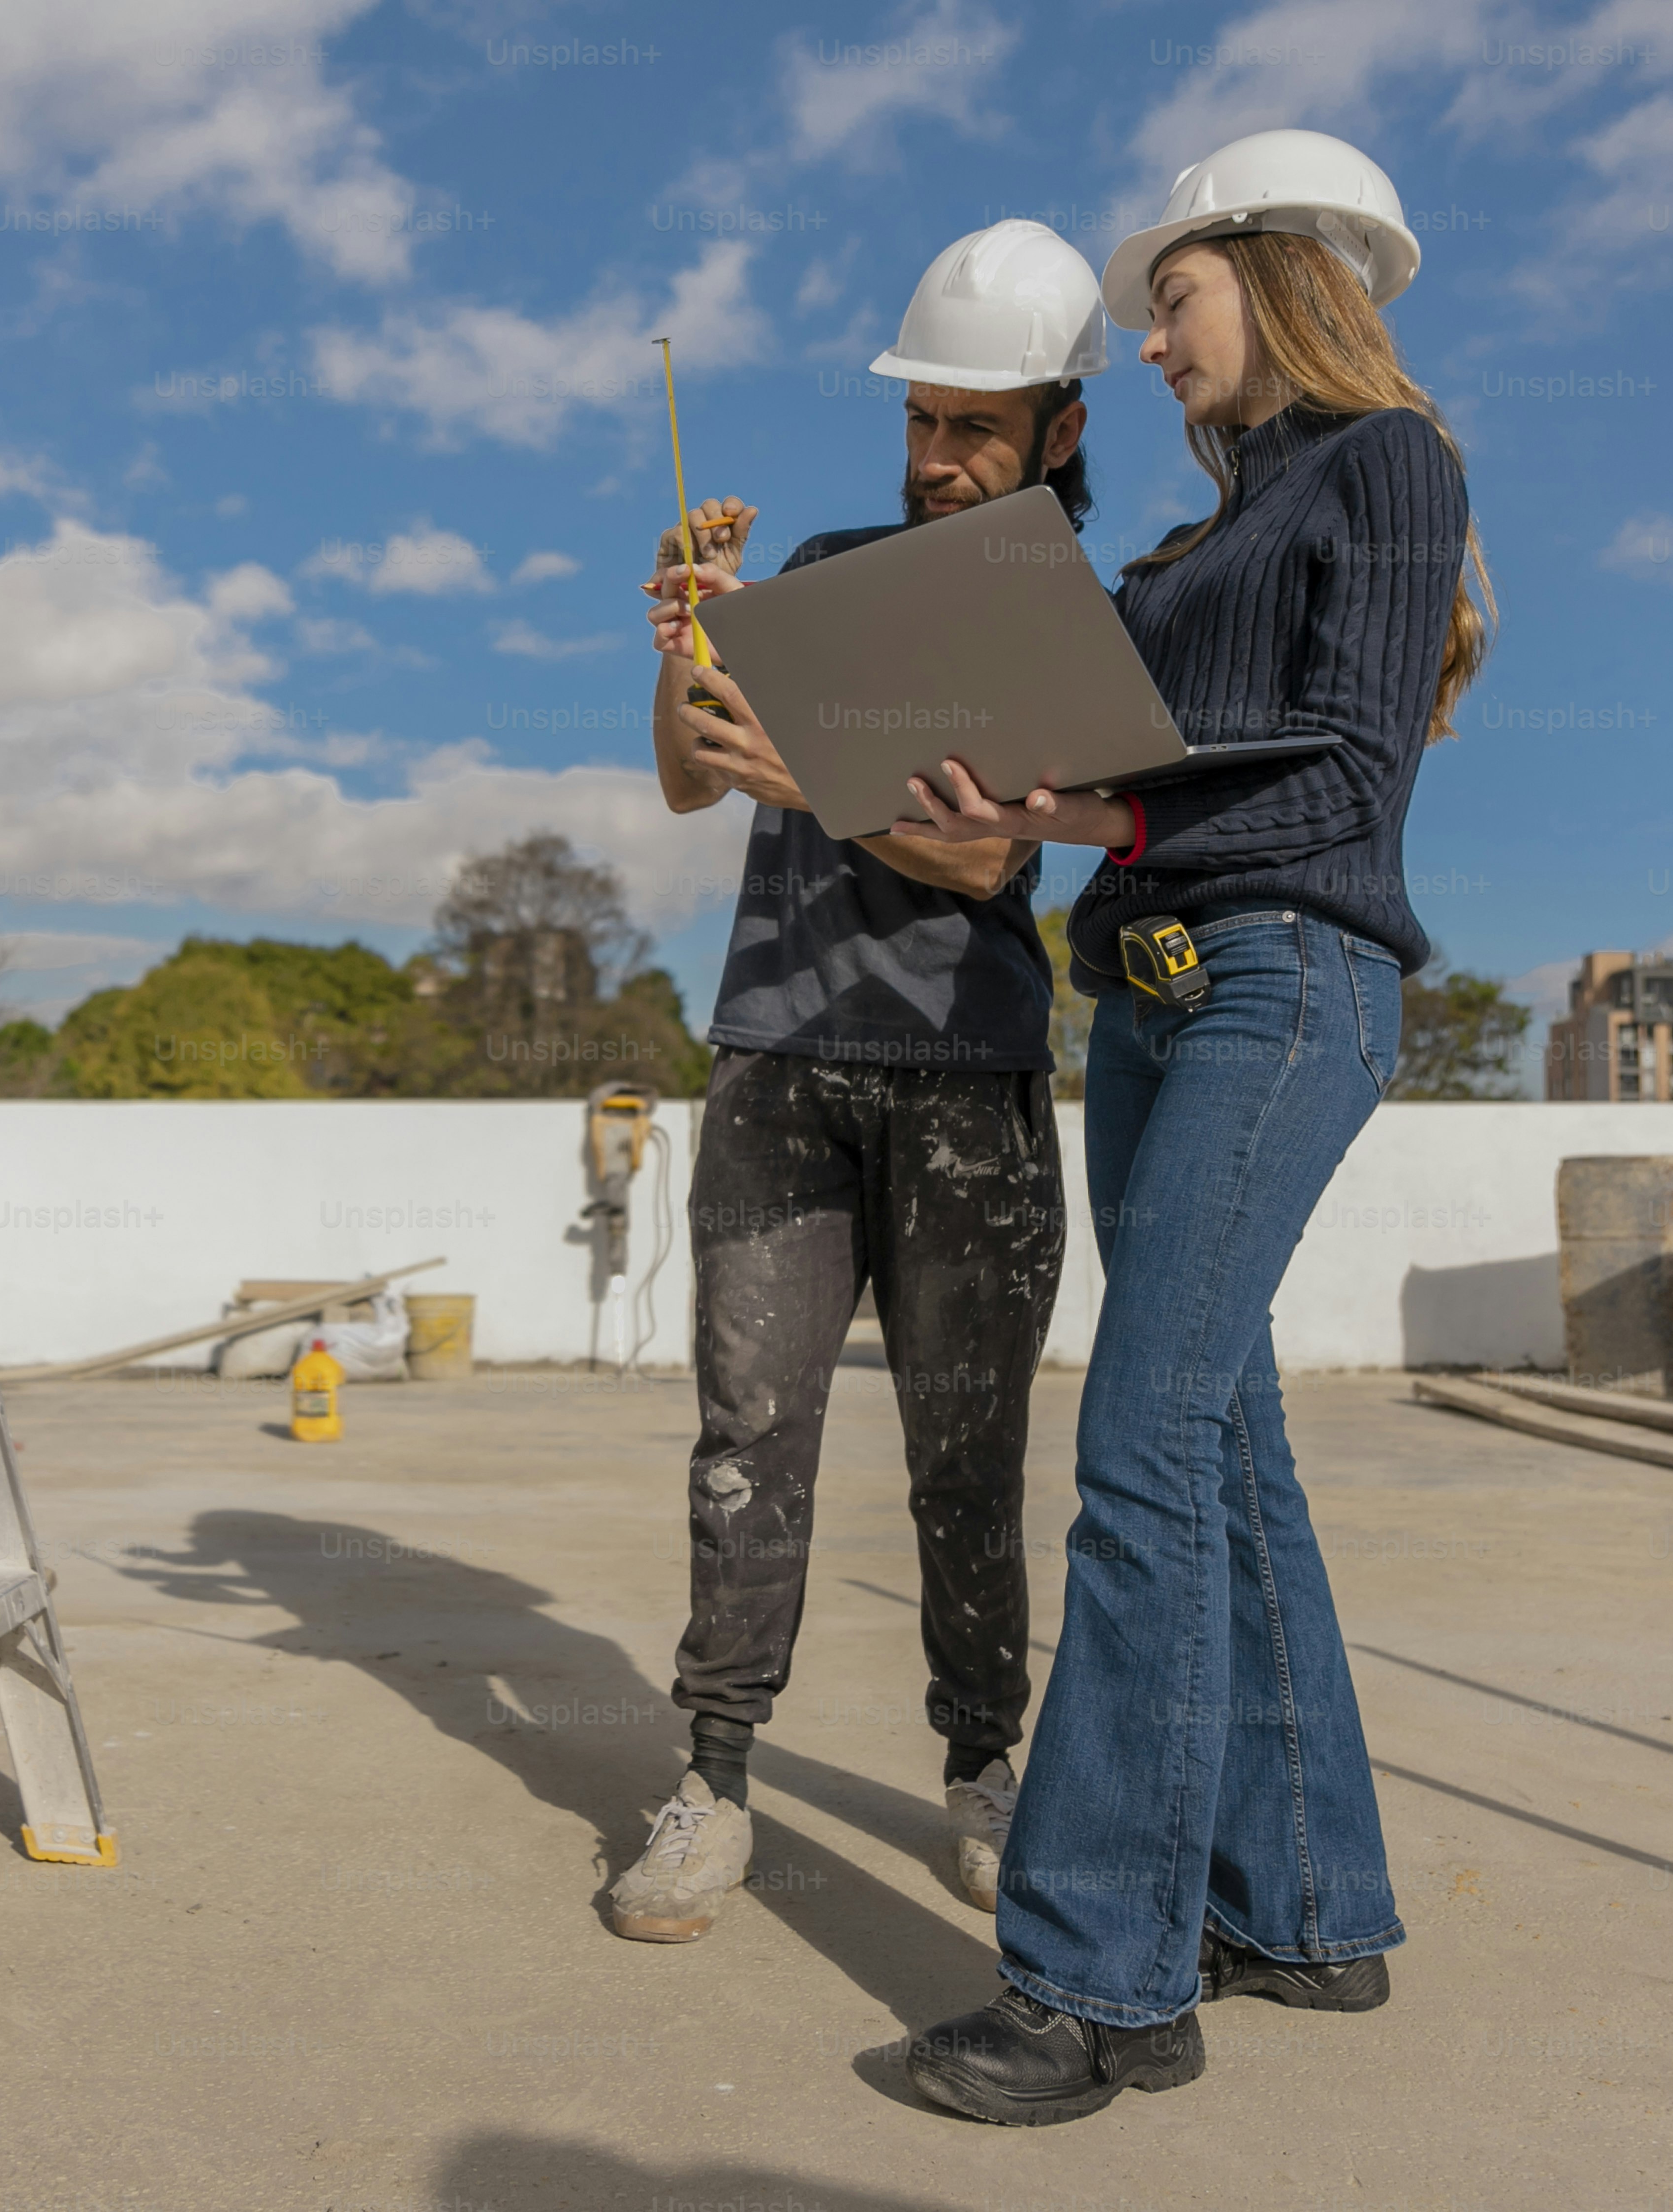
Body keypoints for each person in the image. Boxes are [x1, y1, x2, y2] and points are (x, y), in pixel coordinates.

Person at [871, 129, 1493, 2123]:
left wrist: (1080, 810)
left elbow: (1341, 773)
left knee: (1136, 1448)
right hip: (1141, 998)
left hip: (1279, 976)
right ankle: (1307, 1904)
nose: (1153, 342)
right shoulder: (1176, 549)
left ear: (1286, 270)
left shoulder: (1389, 465)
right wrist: (996, 783)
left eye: (1174, 298)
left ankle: (1097, 1977)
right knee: (1223, 1441)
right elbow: (1119, 766)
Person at [600, 221, 1103, 1946]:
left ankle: (983, 1770)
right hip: (780, 1068)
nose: (939, 459)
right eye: (920, 423)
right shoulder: (823, 569)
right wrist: (684, 640)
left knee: (966, 1458)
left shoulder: (1068, 614)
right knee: (747, 1442)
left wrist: (808, 777)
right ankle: (713, 1777)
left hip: (966, 1074)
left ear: (1060, 429)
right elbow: (688, 780)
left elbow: (982, 872)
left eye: (975, 427)